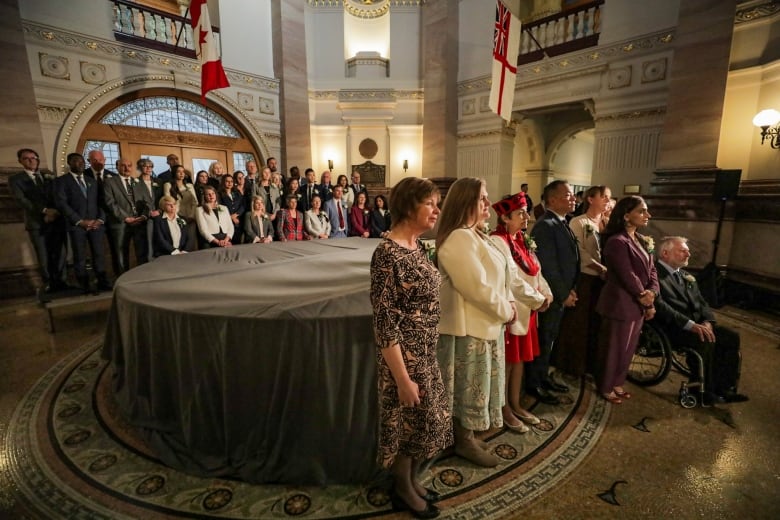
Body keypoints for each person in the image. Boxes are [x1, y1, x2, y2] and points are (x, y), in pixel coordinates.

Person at [370, 176, 450, 519]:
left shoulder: (417, 245)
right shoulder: (386, 253)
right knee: (406, 425)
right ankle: (402, 489)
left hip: (425, 352)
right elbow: (385, 324)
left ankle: (412, 480)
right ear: (407, 207)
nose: (437, 210)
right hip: (404, 356)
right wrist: (402, 379)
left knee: (424, 422)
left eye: (437, 203)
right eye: (429, 203)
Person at [436, 177, 516, 468]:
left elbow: (501, 276)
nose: (487, 203)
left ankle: (467, 435)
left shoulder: (477, 235)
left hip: (486, 323)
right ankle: (463, 440)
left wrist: (508, 304)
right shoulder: (459, 237)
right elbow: (475, 287)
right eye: (482, 198)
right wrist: (506, 311)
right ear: (465, 201)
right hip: (469, 328)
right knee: (467, 389)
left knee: (476, 387)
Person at [654, 236, 748, 404]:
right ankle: (701, 390)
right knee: (704, 339)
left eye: (687, 251)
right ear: (665, 253)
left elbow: (702, 303)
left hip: (698, 325)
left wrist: (707, 322)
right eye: (683, 251)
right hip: (672, 327)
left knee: (731, 337)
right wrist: (691, 325)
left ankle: (725, 388)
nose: (688, 254)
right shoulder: (654, 275)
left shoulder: (686, 276)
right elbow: (661, 307)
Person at [490, 193, 552, 431]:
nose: (527, 217)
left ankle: (515, 404)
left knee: (520, 362)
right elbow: (512, 279)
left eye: (526, 212)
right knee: (509, 362)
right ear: (505, 218)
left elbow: (536, 270)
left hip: (530, 307)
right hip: (514, 309)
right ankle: (503, 407)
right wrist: (538, 299)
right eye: (521, 213)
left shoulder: (521, 239)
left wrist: (546, 293)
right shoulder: (499, 241)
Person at [595, 196, 658, 404]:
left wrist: (653, 292)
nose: (647, 215)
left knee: (629, 347)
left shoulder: (641, 240)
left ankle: (617, 382)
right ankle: (605, 386)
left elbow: (652, 271)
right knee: (614, 348)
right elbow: (627, 274)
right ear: (626, 215)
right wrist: (645, 298)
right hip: (619, 302)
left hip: (638, 303)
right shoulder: (616, 242)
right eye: (642, 211)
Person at [526, 180, 579, 405]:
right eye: (568, 195)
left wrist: (571, 289)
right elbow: (548, 266)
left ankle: (543, 376)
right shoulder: (545, 226)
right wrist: (562, 293)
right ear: (553, 200)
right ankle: (533, 383)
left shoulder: (561, 222)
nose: (574, 198)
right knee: (544, 339)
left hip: (562, 293)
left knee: (550, 340)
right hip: (551, 296)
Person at [553, 185, 612, 377]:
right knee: (580, 323)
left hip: (604, 281)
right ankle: (573, 363)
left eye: (609, 198)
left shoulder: (607, 223)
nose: (607, 201)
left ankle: (592, 364)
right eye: (603, 196)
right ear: (590, 199)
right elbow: (579, 251)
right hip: (587, 277)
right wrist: (600, 268)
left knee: (597, 324)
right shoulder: (579, 222)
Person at [9, 148, 67, 294]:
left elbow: (58, 196)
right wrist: (44, 211)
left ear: (38, 159)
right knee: (43, 255)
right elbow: (22, 200)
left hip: (56, 220)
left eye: (33, 157)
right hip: (36, 223)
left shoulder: (49, 176)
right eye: (26, 158)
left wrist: (54, 212)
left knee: (59, 252)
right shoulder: (15, 179)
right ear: (20, 161)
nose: (31, 160)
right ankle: (49, 283)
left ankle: (62, 281)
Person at [54, 152, 111, 293]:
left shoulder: (91, 180)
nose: (80, 163)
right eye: (76, 161)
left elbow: (101, 202)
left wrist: (100, 219)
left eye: (81, 161)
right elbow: (62, 204)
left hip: (96, 225)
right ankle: (84, 284)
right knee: (79, 256)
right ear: (69, 163)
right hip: (77, 226)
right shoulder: (61, 181)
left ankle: (102, 281)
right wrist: (79, 221)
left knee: (98, 254)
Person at [103, 157, 150, 273]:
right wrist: (125, 218)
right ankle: (122, 280)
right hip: (120, 223)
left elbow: (147, 202)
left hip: (139, 222)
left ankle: (142, 277)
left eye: (129, 165)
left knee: (142, 252)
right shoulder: (110, 182)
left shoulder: (137, 182)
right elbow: (110, 203)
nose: (126, 168)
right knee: (121, 253)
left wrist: (144, 216)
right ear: (117, 167)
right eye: (123, 165)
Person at [164, 164, 198, 251]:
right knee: (179, 240)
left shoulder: (189, 186)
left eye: (183, 172)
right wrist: (176, 215)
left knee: (191, 240)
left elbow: (195, 202)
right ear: (174, 173)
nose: (181, 174)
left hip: (190, 217)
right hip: (176, 216)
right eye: (179, 172)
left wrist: (191, 215)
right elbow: (168, 200)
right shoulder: (168, 185)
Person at [218, 174, 245, 244]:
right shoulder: (219, 194)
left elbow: (243, 205)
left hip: (238, 219)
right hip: (226, 221)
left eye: (231, 181)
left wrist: (236, 215)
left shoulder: (237, 192)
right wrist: (231, 217)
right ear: (223, 182)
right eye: (227, 181)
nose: (230, 183)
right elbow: (220, 207)